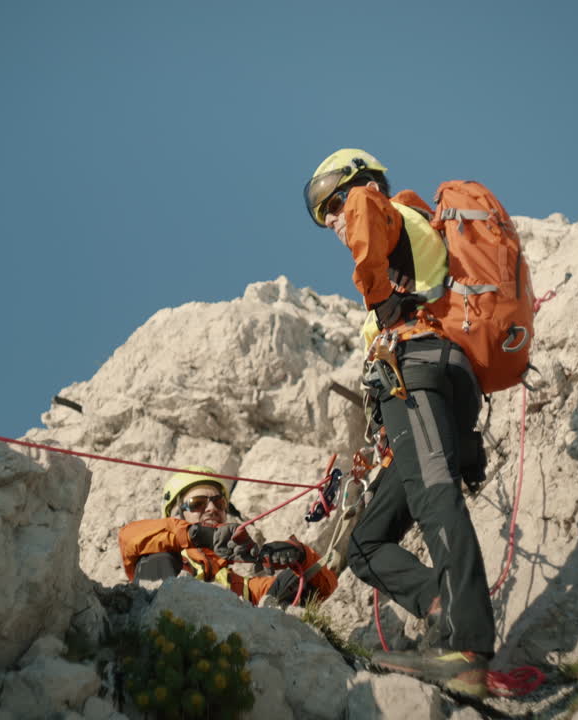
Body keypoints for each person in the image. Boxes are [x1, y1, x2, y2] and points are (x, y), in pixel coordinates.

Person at [303, 149, 494, 697]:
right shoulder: (405, 239)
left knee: (435, 497)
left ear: (358, 183)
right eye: (325, 216)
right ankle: (442, 607)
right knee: (365, 541)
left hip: (416, 370)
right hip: (425, 383)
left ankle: (468, 646)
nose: (335, 219)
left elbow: (363, 225)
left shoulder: (375, 207)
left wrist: (378, 297)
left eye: (332, 204)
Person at [118, 466, 337, 607]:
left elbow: (322, 591)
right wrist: (197, 534)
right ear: (177, 513)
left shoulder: (237, 585)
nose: (212, 509)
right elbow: (128, 538)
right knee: (159, 560)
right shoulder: (163, 555)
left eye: (219, 503)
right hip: (157, 631)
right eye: (198, 503)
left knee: (288, 588)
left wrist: (301, 555)